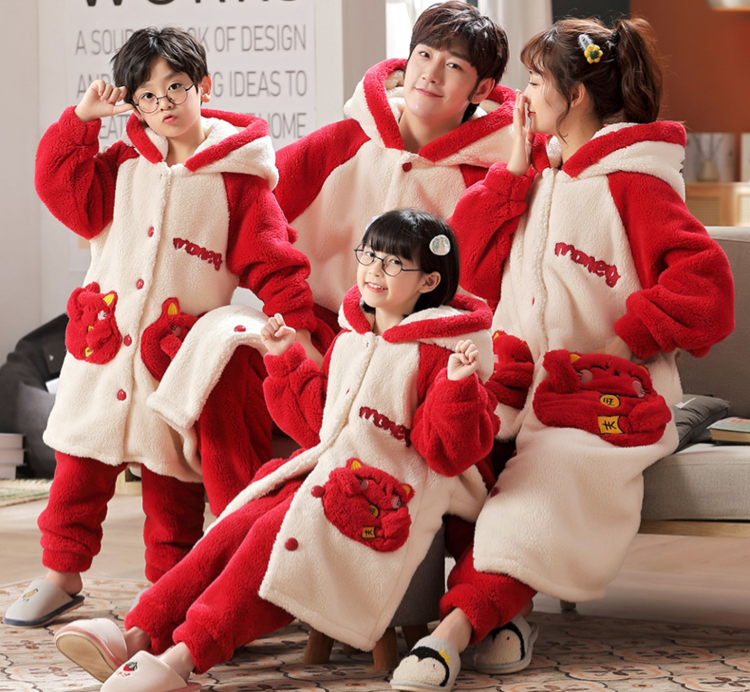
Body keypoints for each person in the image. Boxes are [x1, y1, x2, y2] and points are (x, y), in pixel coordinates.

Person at [391, 17, 735, 691]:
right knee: (441, 446)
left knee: (538, 483)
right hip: (513, 386)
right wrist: (511, 175)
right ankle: (502, 616)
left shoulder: (634, 181)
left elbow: (707, 289)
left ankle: (450, 633)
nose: (523, 94)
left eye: (536, 80)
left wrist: (624, 341)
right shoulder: (535, 175)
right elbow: (464, 272)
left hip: (600, 399)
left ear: (575, 95)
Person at [51, 209, 500, 692]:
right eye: (369, 256)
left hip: (382, 496)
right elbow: (316, 425)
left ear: (429, 280)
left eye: (393, 263)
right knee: (233, 527)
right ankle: (138, 635)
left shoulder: (441, 353)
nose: (374, 270)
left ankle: (185, 657)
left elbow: (446, 453)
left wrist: (458, 388)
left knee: (269, 534)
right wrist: (286, 359)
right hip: (322, 470)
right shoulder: (352, 341)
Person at [3, 27, 319, 629]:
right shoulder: (123, 164)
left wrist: (297, 328)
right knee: (77, 465)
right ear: (134, 104)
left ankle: (168, 587)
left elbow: (274, 259)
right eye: (147, 96)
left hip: (173, 361)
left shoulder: (237, 179)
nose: (164, 104)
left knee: (171, 481)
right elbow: (60, 188)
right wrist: (80, 121)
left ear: (204, 86)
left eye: (176, 87)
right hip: (103, 354)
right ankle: (60, 575)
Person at [274, 0, 515, 330]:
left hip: (432, 343)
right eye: (424, 55)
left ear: (482, 89)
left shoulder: (490, 179)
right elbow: (252, 208)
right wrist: (295, 320)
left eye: (453, 65)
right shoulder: (345, 142)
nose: (431, 75)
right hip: (320, 330)